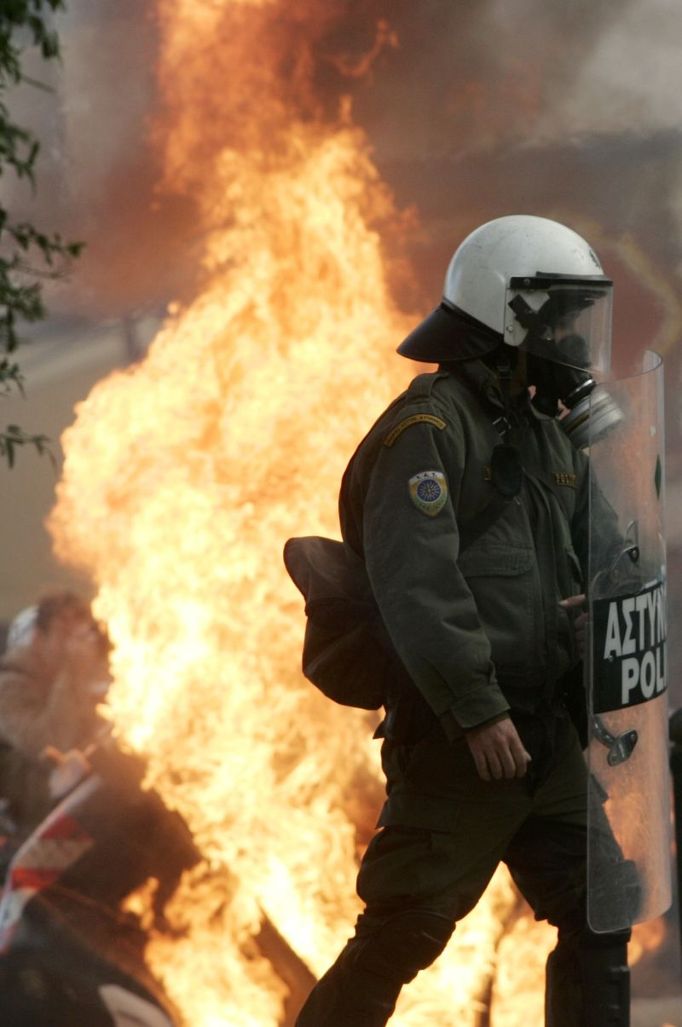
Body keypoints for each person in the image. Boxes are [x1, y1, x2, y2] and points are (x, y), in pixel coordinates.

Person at [294, 215, 633, 1026]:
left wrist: (607, 617)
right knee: (399, 935)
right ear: (507, 318)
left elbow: (609, 552)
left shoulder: (551, 435)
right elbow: (420, 585)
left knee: (603, 910)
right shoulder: (431, 431)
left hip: (545, 735)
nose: (572, 341)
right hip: (463, 746)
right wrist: (476, 709)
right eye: (557, 319)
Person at [0, 590, 111, 850]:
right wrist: (74, 671)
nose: (74, 645)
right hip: (24, 831)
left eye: (80, 636)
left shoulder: (78, 688)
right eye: (65, 635)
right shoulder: (9, 688)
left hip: (87, 819)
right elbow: (52, 742)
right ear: (38, 639)